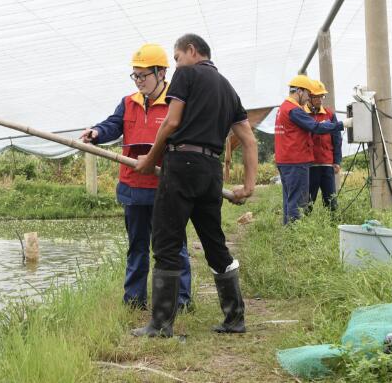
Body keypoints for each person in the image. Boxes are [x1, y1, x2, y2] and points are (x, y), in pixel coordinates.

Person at [132, 33, 257, 338]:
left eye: (176, 57)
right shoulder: (228, 89)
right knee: (215, 244)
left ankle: (161, 325)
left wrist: (150, 159)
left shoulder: (186, 74)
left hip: (181, 167)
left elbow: (172, 122)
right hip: (211, 171)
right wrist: (248, 186)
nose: (175, 65)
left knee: (166, 243)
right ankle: (234, 319)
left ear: (191, 51)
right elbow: (249, 139)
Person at [80, 44, 193, 311]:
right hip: (133, 188)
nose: (139, 81)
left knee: (172, 246)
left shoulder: (175, 103)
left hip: (165, 187)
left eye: (144, 75)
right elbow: (112, 125)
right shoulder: (128, 102)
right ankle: (134, 300)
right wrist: (96, 132)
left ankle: (181, 301)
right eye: (136, 75)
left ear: (162, 72)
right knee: (137, 247)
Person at [274, 75, 345, 224]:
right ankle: (295, 237)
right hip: (296, 161)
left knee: (289, 199)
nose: (308, 98)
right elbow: (316, 127)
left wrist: (336, 159)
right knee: (298, 202)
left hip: (286, 161)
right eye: (308, 94)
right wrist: (343, 124)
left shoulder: (283, 108)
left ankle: (289, 233)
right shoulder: (294, 110)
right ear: (300, 91)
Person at [306, 80, 342, 213]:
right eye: (317, 96)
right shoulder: (302, 114)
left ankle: (333, 227)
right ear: (308, 96)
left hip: (327, 164)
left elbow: (337, 139)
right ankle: (304, 228)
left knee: (331, 201)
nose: (320, 99)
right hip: (309, 165)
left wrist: (337, 161)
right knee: (308, 201)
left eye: (322, 96)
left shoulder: (330, 114)